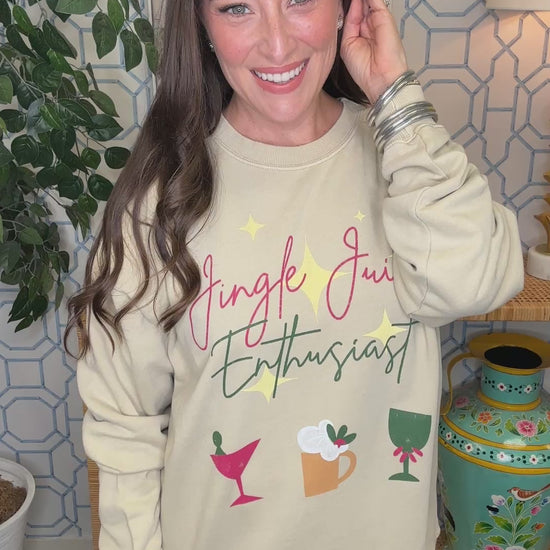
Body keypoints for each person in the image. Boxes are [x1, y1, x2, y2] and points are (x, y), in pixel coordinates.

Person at [67, 0, 524, 546]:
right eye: (238, 8)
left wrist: (396, 100)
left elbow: (474, 283)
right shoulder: (159, 202)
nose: (278, 44)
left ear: (345, 10)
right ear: (203, 26)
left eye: (299, 0)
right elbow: (125, 426)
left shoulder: (405, 159)